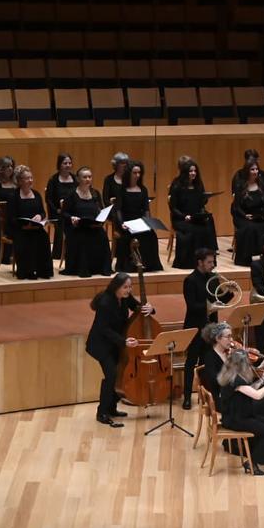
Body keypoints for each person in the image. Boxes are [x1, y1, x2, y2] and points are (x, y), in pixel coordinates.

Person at [86, 272, 155, 427]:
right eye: (125, 287)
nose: (129, 290)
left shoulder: (124, 298)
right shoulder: (105, 302)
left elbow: (139, 307)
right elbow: (104, 329)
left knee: (120, 375)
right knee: (111, 375)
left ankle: (111, 408)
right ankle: (102, 412)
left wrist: (150, 308)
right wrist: (124, 341)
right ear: (116, 287)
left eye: (130, 287)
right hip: (101, 345)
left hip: (116, 344)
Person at [216, 349, 264, 474]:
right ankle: (252, 462)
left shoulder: (231, 376)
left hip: (238, 415)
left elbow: (250, 390)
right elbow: (257, 395)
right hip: (237, 420)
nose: (249, 366)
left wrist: (262, 378)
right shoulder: (235, 381)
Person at [181, 248, 227, 408]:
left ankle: (211, 396)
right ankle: (187, 397)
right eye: (209, 262)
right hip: (195, 328)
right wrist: (210, 307)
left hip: (211, 329)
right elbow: (192, 306)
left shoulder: (213, 278)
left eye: (213, 261)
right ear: (200, 262)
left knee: (209, 363)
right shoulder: (190, 280)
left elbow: (221, 298)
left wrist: (230, 292)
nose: (212, 264)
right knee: (191, 363)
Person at [60, 166, 112, 278]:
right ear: (78, 179)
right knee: (83, 238)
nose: (88, 179)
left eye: (90, 177)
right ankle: (83, 268)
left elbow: (101, 210)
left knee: (102, 236)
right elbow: (64, 213)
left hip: (93, 226)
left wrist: (101, 218)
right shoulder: (71, 194)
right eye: (85, 177)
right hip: (78, 227)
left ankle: (101, 268)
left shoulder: (95, 193)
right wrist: (72, 218)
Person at [112, 160, 161, 273]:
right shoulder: (121, 190)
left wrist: (148, 222)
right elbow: (118, 209)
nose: (137, 175)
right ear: (129, 173)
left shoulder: (143, 189)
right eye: (134, 173)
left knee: (151, 235)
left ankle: (147, 264)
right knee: (128, 237)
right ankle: (130, 265)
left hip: (139, 221)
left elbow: (146, 209)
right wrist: (121, 223)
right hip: (126, 222)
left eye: (139, 173)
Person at [169, 157, 218, 269]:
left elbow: (201, 203)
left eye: (195, 171)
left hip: (195, 216)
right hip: (181, 218)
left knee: (209, 223)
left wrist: (205, 198)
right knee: (195, 230)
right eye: (191, 171)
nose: (193, 173)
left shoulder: (198, 184)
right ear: (185, 172)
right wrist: (183, 216)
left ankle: (209, 258)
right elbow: (173, 207)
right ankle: (191, 261)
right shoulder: (177, 185)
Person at [7, 164, 53, 280]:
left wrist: (39, 216)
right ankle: (27, 271)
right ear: (19, 181)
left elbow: (42, 212)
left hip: (35, 228)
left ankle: (43, 270)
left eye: (31, 178)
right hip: (20, 229)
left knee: (43, 237)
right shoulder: (13, 196)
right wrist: (23, 225)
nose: (30, 180)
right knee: (26, 239)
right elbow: (11, 217)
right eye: (27, 178)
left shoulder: (36, 194)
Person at [231, 159, 264, 266]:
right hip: (243, 216)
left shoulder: (262, 185)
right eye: (252, 169)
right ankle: (246, 258)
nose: (255, 171)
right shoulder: (240, 186)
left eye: (256, 169)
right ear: (247, 171)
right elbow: (236, 206)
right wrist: (245, 215)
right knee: (250, 228)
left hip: (257, 215)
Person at [44, 152, 77, 262]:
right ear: (59, 165)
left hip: (72, 211)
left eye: (69, 163)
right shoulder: (53, 180)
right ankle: (59, 253)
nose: (68, 165)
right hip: (57, 212)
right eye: (65, 163)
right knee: (62, 223)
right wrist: (57, 210)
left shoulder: (75, 178)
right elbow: (49, 199)